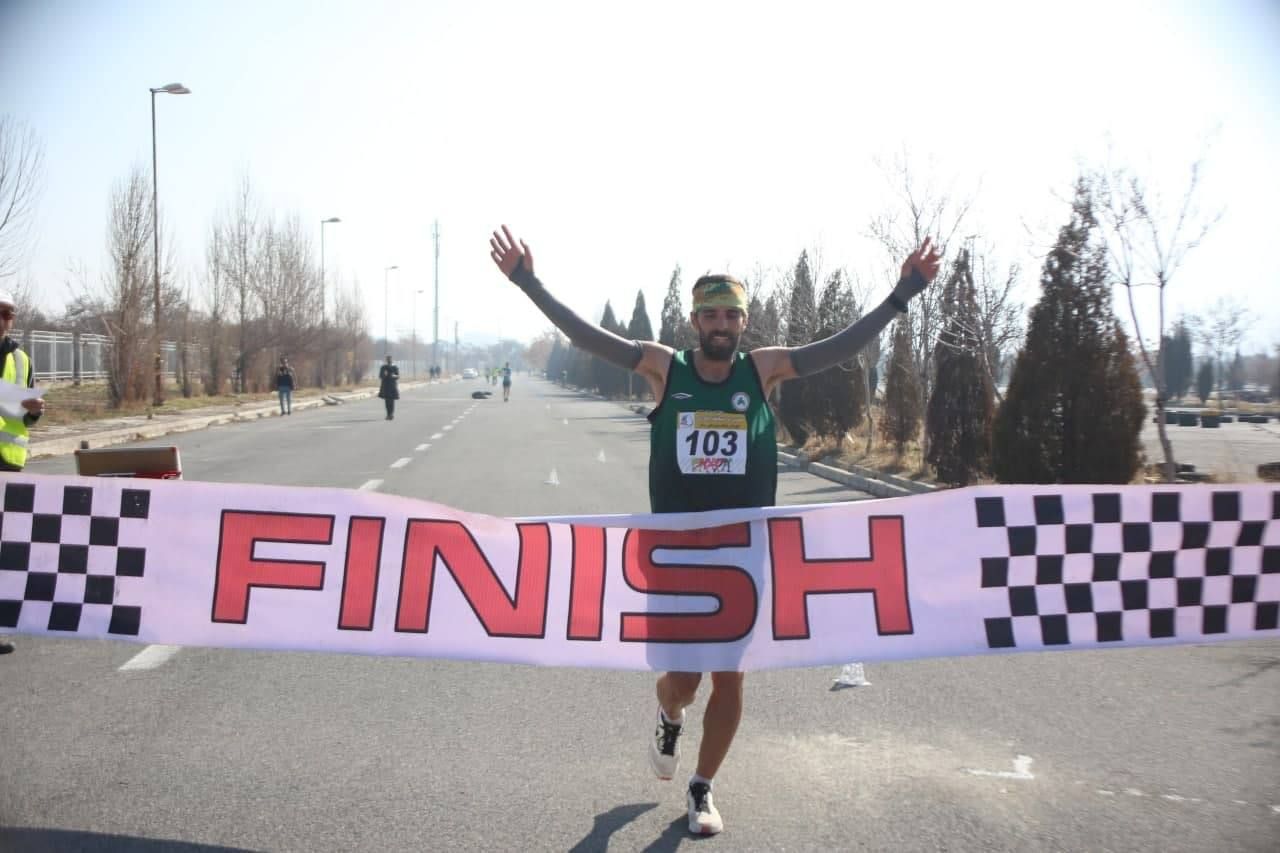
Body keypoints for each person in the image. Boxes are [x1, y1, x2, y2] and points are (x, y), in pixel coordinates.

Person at [489, 224, 940, 836]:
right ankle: (668, 713)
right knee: (684, 681)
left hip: (743, 553)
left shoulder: (763, 370)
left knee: (731, 673)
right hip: (673, 554)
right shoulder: (664, 368)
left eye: (731, 314)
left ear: (743, 321)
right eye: (711, 315)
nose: (721, 325)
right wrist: (528, 283)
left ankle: (702, 786)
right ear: (695, 322)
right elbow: (589, 338)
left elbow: (836, 348)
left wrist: (902, 293)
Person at [0, 289, 46, 656]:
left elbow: (26, 415)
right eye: (0, 312)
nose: (5, 319)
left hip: (7, 461)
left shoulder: (21, 358)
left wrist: (34, 410)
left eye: (9, 313)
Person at [378, 355, 400, 420]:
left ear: (392, 360)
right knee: (387, 401)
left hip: (392, 386)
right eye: (388, 359)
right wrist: (384, 375)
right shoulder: (383, 367)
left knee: (392, 401)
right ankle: (388, 414)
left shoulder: (395, 367)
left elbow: (398, 376)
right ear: (386, 360)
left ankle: (391, 414)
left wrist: (394, 376)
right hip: (386, 386)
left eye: (390, 359)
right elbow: (380, 376)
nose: (389, 360)